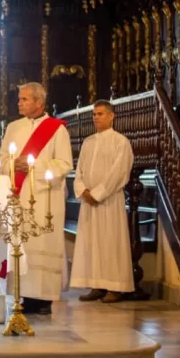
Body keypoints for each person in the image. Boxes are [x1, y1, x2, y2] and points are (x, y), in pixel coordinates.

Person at [0, 82, 73, 315]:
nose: (19, 103)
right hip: (19, 195)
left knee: (44, 242)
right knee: (22, 245)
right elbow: (2, 160)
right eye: (19, 99)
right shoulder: (13, 127)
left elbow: (64, 164)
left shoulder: (57, 129)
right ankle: (22, 295)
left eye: (24, 99)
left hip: (45, 196)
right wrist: (13, 165)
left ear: (39, 102)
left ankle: (45, 299)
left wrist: (33, 165)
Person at [70, 100, 135, 303]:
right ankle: (96, 284)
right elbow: (79, 170)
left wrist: (98, 193)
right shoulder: (88, 142)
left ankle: (115, 287)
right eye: (94, 114)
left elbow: (120, 172)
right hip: (88, 202)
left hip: (109, 201)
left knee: (111, 242)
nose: (96, 117)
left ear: (111, 116)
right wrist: (83, 191)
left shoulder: (120, 142)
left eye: (100, 114)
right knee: (91, 243)